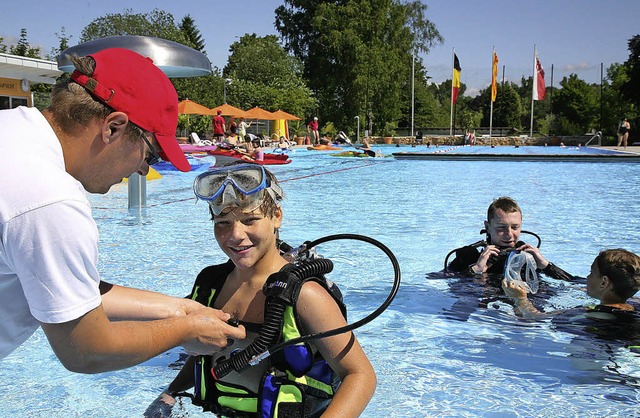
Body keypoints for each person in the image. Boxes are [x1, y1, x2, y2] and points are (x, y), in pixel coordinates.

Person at [0, 48, 245, 370]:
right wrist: (186, 330)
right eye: (151, 154)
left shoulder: (12, 130)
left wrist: (181, 309)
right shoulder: (50, 200)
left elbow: (70, 289)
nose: (144, 171)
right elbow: (86, 351)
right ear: (113, 127)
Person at [146, 163, 376, 417]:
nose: (235, 235)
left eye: (250, 220)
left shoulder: (304, 294)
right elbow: (206, 354)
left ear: (276, 216)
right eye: (222, 222)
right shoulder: (211, 284)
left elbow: (360, 375)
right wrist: (171, 392)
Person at [446, 197, 573, 283]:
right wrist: (475, 270)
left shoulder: (527, 256)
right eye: (501, 228)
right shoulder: (470, 256)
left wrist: (546, 265)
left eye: (515, 227)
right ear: (487, 227)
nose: (509, 234)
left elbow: (575, 282)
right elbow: (439, 279)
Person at [502, 249, 640, 319]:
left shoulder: (589, 313)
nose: (587, 277)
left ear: (604, 282)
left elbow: (536, 318)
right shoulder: (634, 303)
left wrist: (520, 299)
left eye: (591, 272)